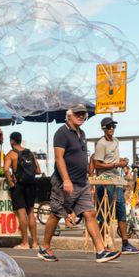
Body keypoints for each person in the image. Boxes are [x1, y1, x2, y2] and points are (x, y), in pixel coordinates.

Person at [37, 104, 121, 262]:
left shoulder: (81, 133)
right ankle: (44, 247)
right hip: (65, 182)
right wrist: (66, 180)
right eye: (78, 113)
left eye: (83, 114)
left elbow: (82, 159)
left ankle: (101, 251)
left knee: (90, 213)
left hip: (82, 183)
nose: (81, 116)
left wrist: (87, 181)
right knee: (56, 214)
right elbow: (59, 158)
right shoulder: (61, 133)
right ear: (69, 115)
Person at [94, 117, 139, 254]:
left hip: (116, 179)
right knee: (105, 212)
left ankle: (125, 243)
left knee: (121, 210)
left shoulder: (116, 141)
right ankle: (102, 245)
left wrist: (122, 161)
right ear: (103, 128)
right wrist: (116, 164)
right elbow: (97, 163)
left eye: (113, 126)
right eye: (109, 127)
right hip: (105, 180)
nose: (112, 129)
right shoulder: (101, 144)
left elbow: (113, 159)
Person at [4, 132, 41, 249]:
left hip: (18, 186)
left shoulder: (11, 154)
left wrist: (11, 183)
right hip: (31, 185)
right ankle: (34, 243)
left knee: (21, 213)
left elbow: (5, 169)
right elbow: (38, 170)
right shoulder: (29, 153)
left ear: (12, 141)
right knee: (30, 213)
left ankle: (25, 243)